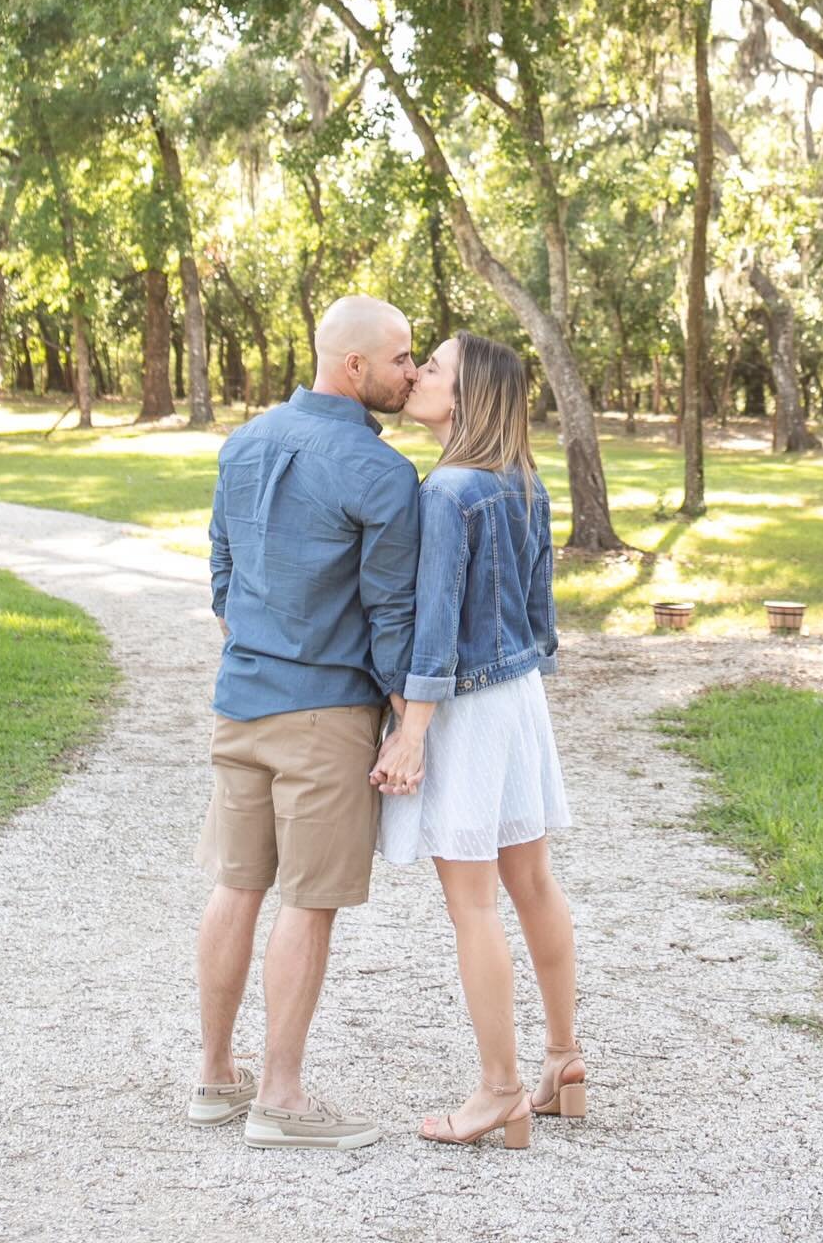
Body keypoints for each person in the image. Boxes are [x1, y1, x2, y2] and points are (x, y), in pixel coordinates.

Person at [188, 295, 421, 1151]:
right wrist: (408, 720)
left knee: (236, 885)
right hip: (325, 715)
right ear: (354, 367)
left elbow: (221, 571)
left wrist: (258, 643)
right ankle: (281, 1098)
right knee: (308, 902)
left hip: (239, 700)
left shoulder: (243, 441)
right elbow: (391, 614)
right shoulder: (382, 475)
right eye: (401, 357)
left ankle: (216, 1077)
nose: (411, 371)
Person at [373, 331, 581, 1151]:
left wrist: (412, 730)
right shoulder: (524, 482)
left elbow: (435, 629)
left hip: (462, 703)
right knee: (533, 882)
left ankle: (499, 1090)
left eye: (434, 368)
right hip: (520, 700)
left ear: (465, 397)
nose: (418, 374)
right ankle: (563, 1061)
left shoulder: (447, 492)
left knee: (473, 904)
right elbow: (540, 619)